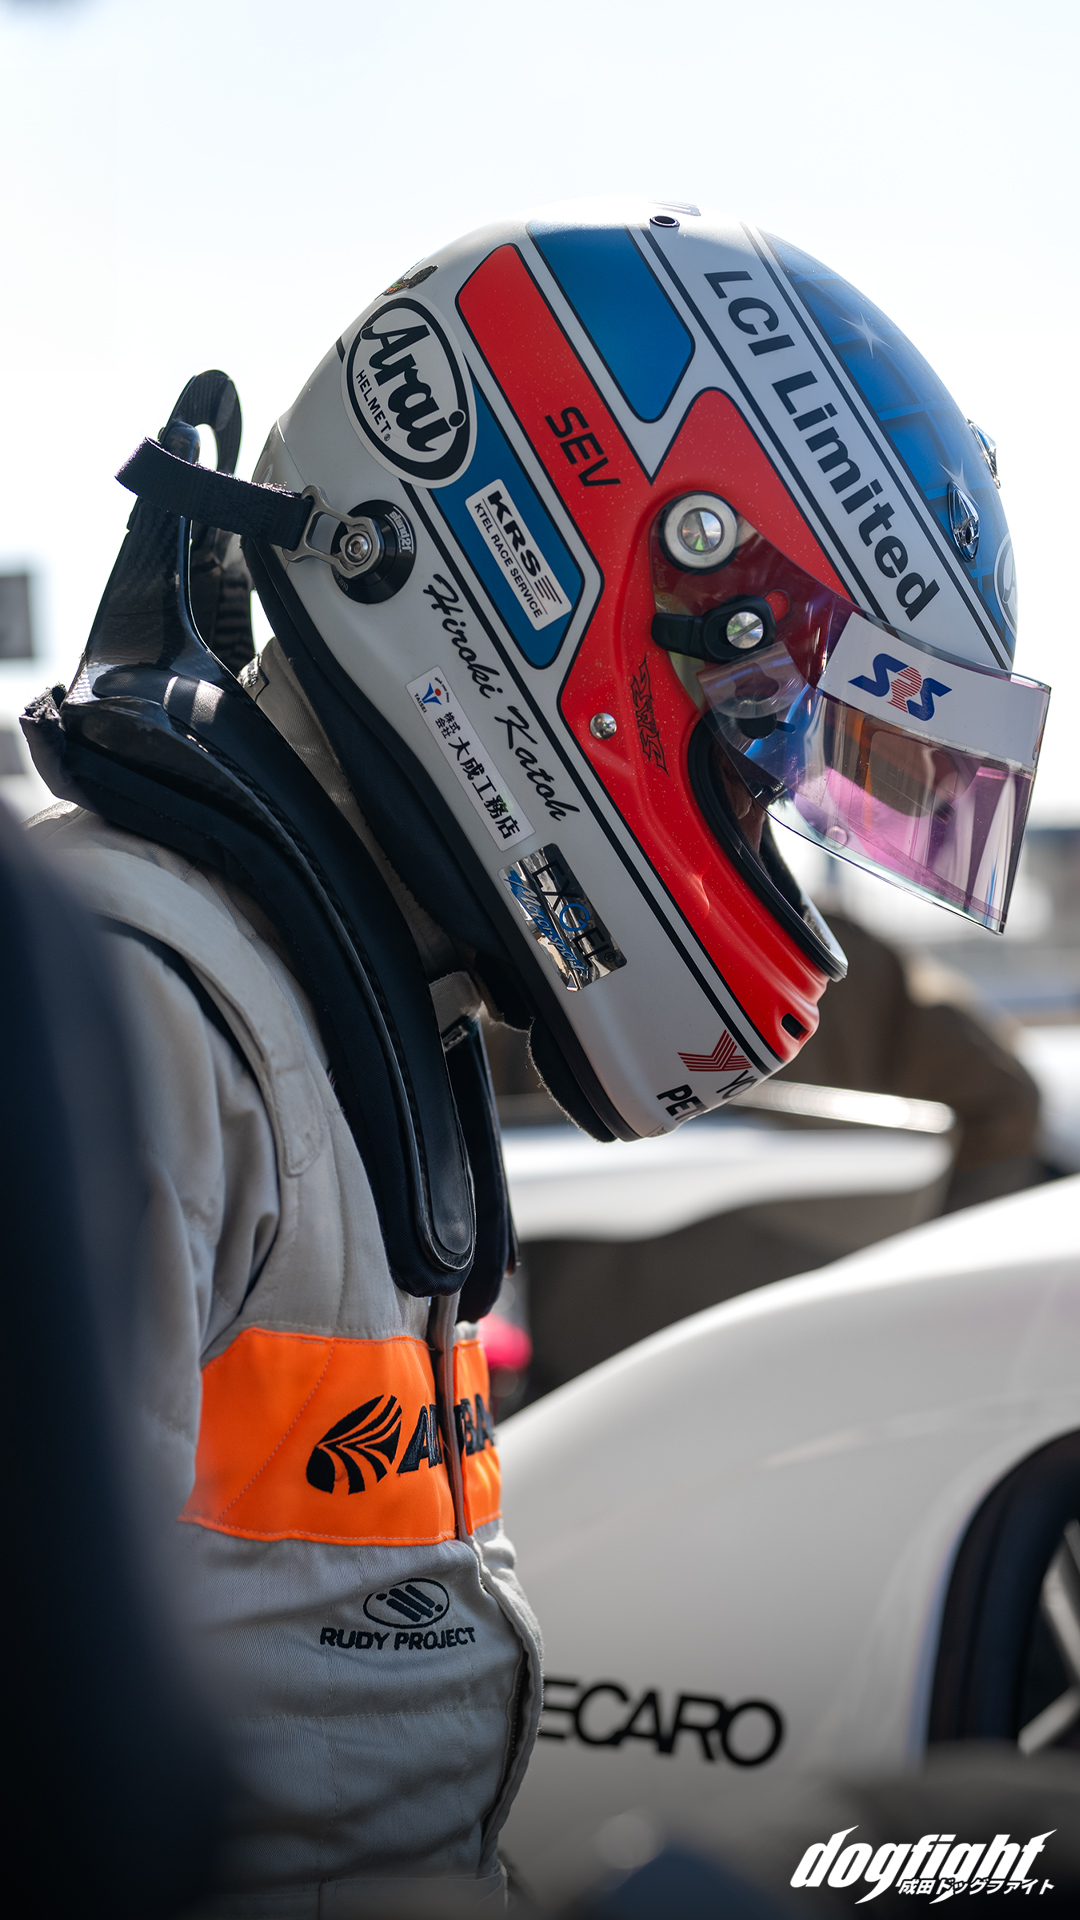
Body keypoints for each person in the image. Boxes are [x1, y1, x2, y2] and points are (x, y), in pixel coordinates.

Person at [21, 200, 1046, 1913]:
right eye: (770, 745)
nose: (774, 812)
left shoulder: (338, 1005)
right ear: (553, 582)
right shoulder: (145, 1008)